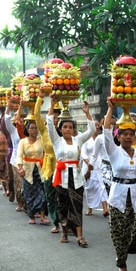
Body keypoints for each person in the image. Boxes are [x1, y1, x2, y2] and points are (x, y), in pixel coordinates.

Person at [103, 100, 136, 271]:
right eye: (123, 134)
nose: (127, 137)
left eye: (130, 134)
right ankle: (122, 264)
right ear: (118, 136)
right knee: (120, 233)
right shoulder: (114, 152)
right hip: (118, 197)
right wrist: (110, 109)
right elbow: (105, 133)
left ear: (134, 137)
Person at [46, 98, 95, 247]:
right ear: (60, 129)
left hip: (77, 177)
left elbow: (92, 130)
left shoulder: (78, 140)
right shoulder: (56, 140)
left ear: (74, 129)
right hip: (61, 177)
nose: (68, 129)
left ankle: (79, 236)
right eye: (65, 127)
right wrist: (52, 105)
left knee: (77, 205)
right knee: (63, 205)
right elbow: (49, 124)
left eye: (70, 127)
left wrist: (88, 114)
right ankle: (64, 231)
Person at [34, 90, 61, 233]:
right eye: (54, 117)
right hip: (49, 167)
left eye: (58, 118)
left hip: (62, 166)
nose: (56, 120)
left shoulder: (63, 132)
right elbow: (37, 114)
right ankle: (56, 222)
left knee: (63, 196)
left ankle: (67, 223)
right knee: (50, 196)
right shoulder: (44, 130)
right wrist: (40, 98)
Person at [16, 120, 49, 225]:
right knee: (29, 194)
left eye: (36, 128)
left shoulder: (42, 140)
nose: (34, 130)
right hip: (27, 171)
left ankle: (43, 216)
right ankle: (32, 216)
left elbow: (47, 153)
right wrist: (20, 168)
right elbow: (19, 156)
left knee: (43, 194)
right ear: (27, 129)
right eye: (32, 128)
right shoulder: (23, 142)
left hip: (40, 170)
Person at [81, 121, 108, 216]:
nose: (96, 127)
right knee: (89, 188)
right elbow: (83, 153)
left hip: (99, 166)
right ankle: (90, 208)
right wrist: (89, 163)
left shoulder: (101, 138)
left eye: (98, 125)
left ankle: (105, 208)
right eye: (94, 125)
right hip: (88, 167)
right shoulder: (86, 139)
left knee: (102, 186)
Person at [4, 102, 26, 213]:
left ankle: (29, 205)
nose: (21, 121)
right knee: (18, 183)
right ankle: (20, 202)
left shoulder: (30, 131)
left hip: (28, 160)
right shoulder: (14, 131)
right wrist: (9, 107)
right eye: (19, 120)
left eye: (23, 119)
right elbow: (6, 119)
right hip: (16, 160)